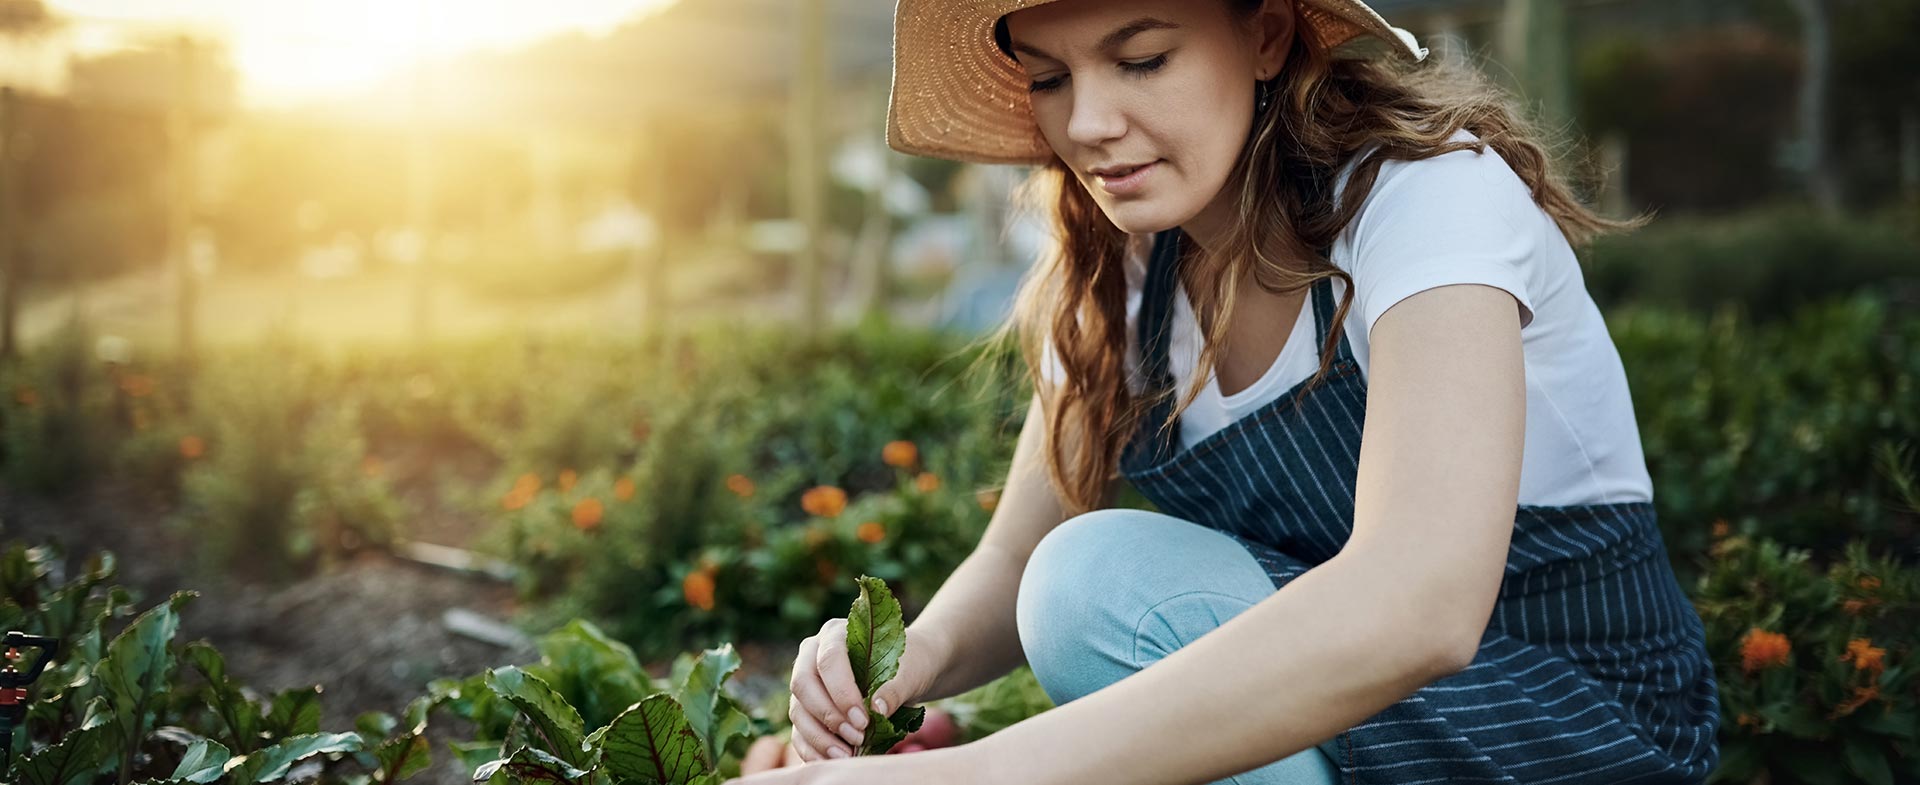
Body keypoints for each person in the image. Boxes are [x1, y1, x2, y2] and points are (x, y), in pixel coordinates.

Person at [728, 0, 1721, 782]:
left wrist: (977, 771)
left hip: (1569, 720)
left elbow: (1422, 605)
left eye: (1143, 58)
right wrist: (895, 668)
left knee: (1099, 583)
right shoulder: (1121, 276)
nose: (1088, 122)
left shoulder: (1426, 198)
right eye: (1049, 77)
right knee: (1069, 573)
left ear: (1265, 34)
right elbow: (1016, 554)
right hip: (1341, 717)